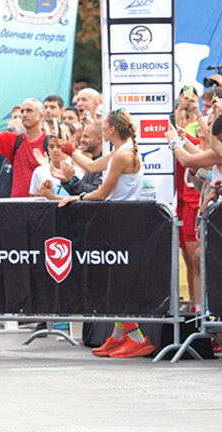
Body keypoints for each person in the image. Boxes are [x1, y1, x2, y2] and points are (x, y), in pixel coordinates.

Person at [59, 109, 150, 358]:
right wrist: (68, 148)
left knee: (116, 282)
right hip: (120, 221)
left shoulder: (123, 154)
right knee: (115, 280)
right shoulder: (123, 149)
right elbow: (90, 164)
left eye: (104, 127)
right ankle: (119, 336)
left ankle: (137, 338)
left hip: (122, 222)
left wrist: (75, 198)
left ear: (110, 131)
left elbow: (101, 193)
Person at [0, 98, 48, 198]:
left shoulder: (50, 142)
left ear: (41, 116)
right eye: (22, 111)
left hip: (41, 204)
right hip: (16, 206)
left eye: (29, 110)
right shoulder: (13, 140)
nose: (24, 114)